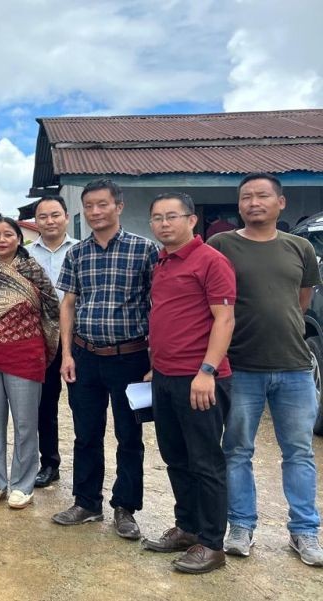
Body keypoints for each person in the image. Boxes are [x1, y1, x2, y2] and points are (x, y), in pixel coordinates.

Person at [208, 173, 323, 567]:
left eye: (262, 196)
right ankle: (241, 525)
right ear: (239, 204)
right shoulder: (222, 245)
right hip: (241, 366)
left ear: (281, 202)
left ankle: (304, 531)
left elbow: (302, 301)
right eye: (246, 197)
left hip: (294, 367)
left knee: (299, 452)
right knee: (237, 449)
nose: (253, 202)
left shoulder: (300, 247)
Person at [51, 179, 158, 538]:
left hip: (130, 357)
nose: (95, 212)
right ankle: (86, 502)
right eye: (89, 206)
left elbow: (158, 305)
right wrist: (67, 354)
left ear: (118, 206)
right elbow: (68, 304)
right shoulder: (77, 254)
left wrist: (155, 358)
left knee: (129, 436)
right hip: (85, 356)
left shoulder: (144, 250)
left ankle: (125, 508)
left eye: (102, 204)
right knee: (86, 433)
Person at [143, 192, 235, 574]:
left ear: (192, 220)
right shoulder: (162, 261)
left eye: (172, 216)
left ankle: (212, 544)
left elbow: (224, 319)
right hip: (165, 377)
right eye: (157, 218)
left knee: (205, 462)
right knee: (175, 457)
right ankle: (187, 527)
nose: (164, 224)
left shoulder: (211, 260)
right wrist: (156, 366)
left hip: (200, 380)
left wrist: (207, 371)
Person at [0, 218, 59, 510]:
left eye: (8, 234)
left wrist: (48, 345)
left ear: (19, 239)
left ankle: (22, 485)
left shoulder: (33, 270)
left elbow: (52, 308)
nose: (1, 240)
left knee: (26, 424)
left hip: (25, 355)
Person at [27, 195, 78, 488]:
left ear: (66, 217)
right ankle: (49, 463)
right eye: (43, 216)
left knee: (82, 404)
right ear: (36, 221)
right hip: (39, 337)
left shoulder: (80, 250)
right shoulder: (25, 254)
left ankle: (86, 467)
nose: (49, 221)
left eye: (55, 215)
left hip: (76, 337)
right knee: (44, 404)